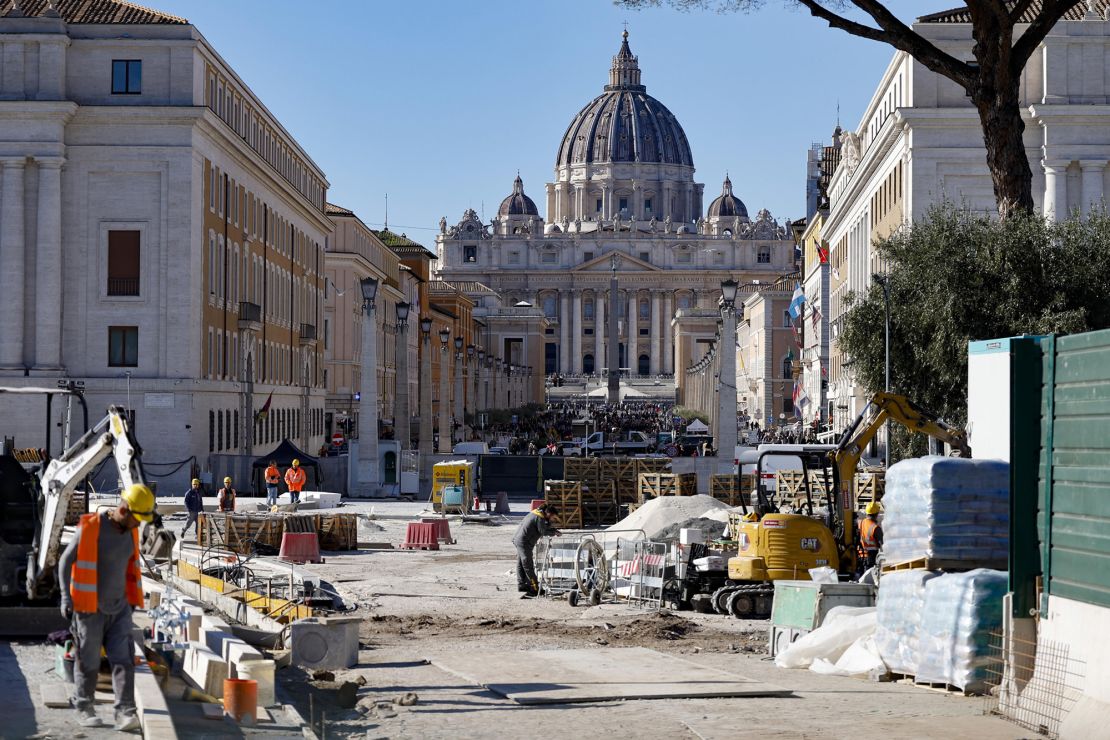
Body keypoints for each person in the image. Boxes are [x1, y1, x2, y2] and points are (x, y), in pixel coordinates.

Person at [57, 484, 152, 731]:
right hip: (89, 610)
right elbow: (65, 562)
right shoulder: (91, 528)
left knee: (124, 661)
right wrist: (66, 598)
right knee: (88, 662)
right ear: (124, 509)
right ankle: (84, 706)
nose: (138, 525)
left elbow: (129, 568)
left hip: (119, 608)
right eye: (137, 519)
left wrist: (132, 602)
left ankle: (125, 713)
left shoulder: (130, 532)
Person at [511, 503, 560, 598]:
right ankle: (534, 588)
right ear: (549, 513)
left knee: (521, 563)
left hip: (519, 540)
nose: (552, 519)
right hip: (524, 542)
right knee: (527, 564)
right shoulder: (540, 517)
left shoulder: (534, 513)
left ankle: (522, 585)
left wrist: (551, 527)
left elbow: (542, 527)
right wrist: (554, 532)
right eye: (553, 517)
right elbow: (543, 531)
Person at [857, 501, 884, 573]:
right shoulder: (876, 528)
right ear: (876, 514)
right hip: (872, 556)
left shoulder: (862, 522)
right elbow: (882, 545)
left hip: (862, 554)